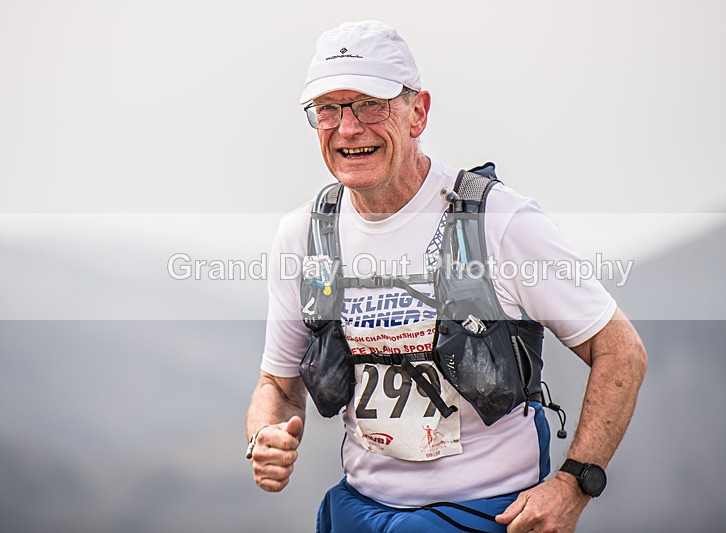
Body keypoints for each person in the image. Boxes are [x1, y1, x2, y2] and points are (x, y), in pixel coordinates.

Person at [246, 20, 647, 533]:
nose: (348, 127)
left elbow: (621, 351)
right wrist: (265, 436)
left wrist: (573, 483)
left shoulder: (499, 222)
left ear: (418, 112)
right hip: (357, 511)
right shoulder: (304, 234)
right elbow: (276, 384)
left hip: (484, 513)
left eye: (371, 104)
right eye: (328, 109)